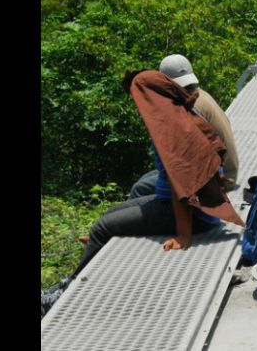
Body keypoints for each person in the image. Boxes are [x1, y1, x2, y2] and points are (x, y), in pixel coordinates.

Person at [42, 70, 245, 317]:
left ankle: (65, 295)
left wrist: (183, 236)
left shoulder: (170, 128)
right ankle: (90, 254)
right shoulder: (178, 114)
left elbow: (179, 184)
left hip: (192, 213)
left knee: (102, 228)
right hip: (187, 205)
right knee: (108, 217)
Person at [130, 55, 240, 199]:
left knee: (139, 188)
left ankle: (163, 219)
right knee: (147, 178)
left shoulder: (189, 107)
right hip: (227, 171)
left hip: (218, 179)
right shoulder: (201, 94)